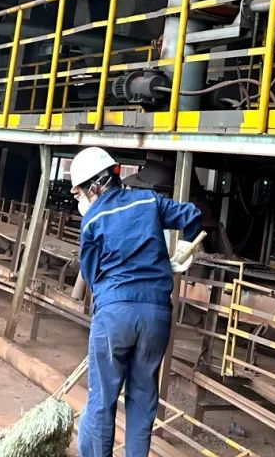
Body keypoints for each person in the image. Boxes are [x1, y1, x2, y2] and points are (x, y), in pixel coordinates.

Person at [71, 147, 202, 457]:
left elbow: (90, 274)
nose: (81, 198)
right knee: (142, 398)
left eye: (80, 191)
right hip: (156, 315)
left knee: (102, 400)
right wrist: (183, 251)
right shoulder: (148, 201)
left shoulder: (92, 220)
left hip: (115, 314)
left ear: (95, 186)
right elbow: (193, 215)